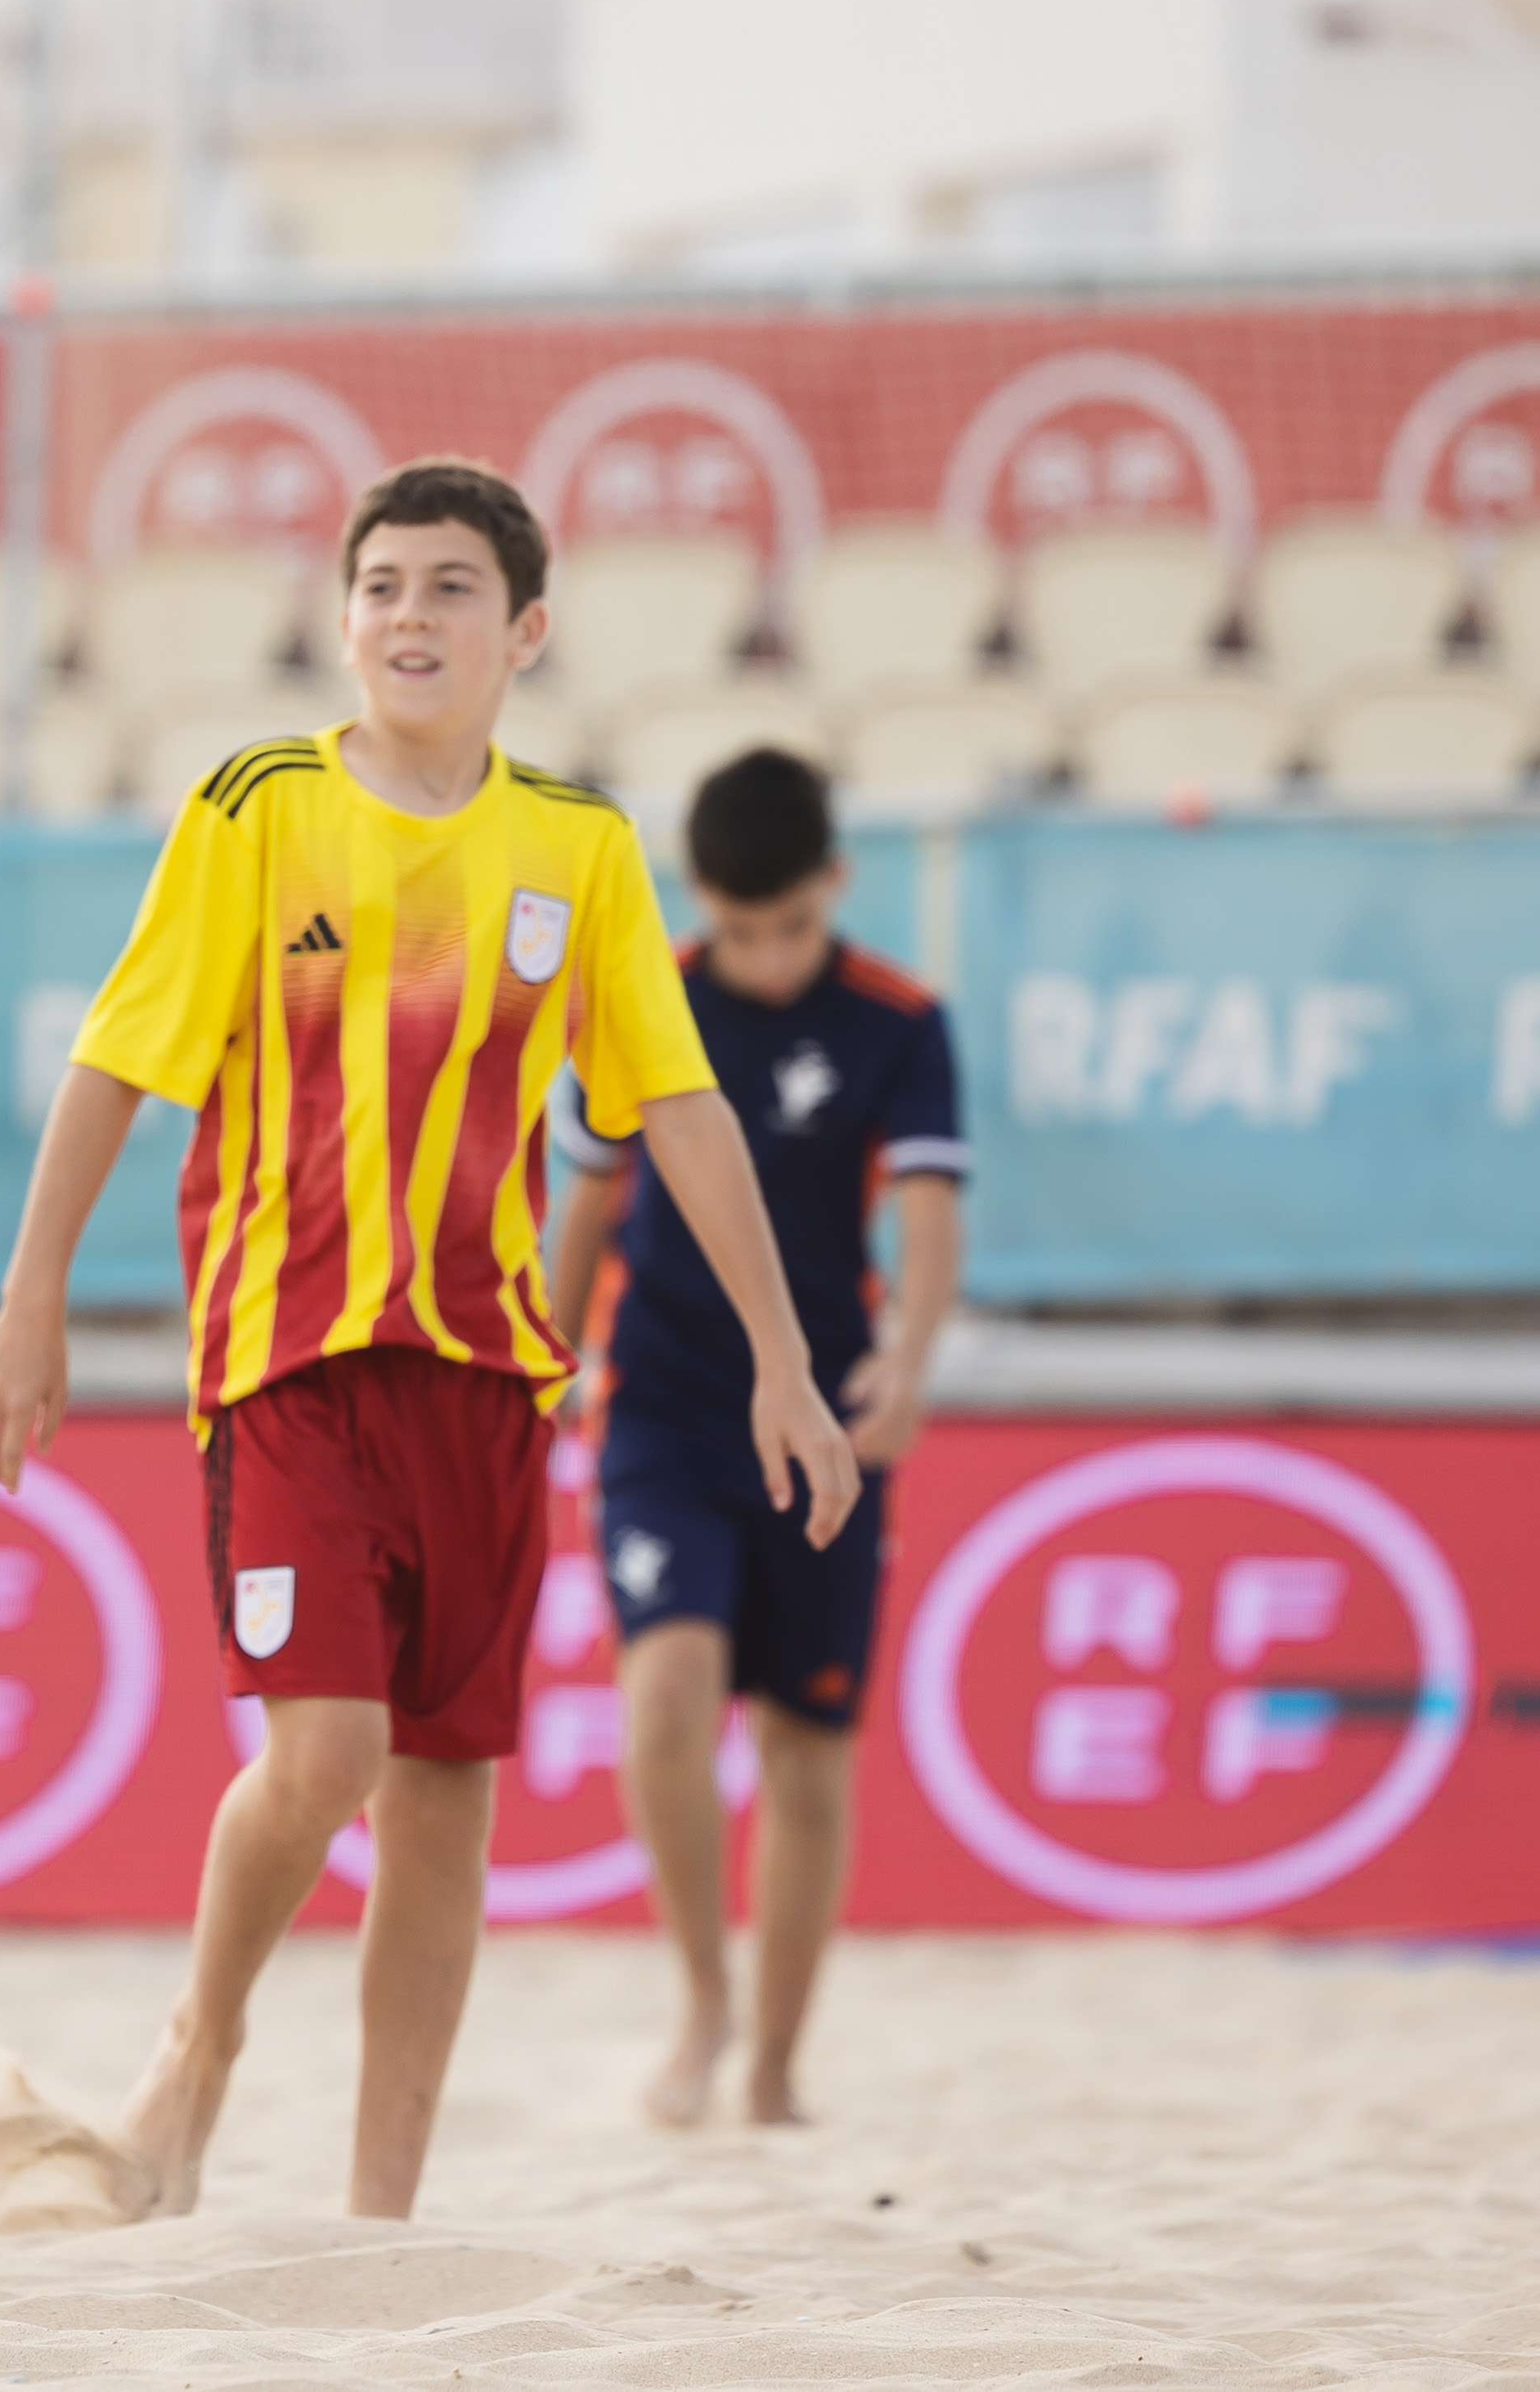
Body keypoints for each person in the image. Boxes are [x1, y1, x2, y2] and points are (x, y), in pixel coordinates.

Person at [0, 458, 864, 2224]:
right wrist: (30, 1293)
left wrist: (783, 1359)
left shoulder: (578, 846)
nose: (408, 616)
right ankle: (198, 2047)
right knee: (327, 1758)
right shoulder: (258, 804)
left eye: (450, 587)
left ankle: (381, 2217)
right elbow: (121, 1055)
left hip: (487, 1371)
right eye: (379, 585)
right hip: (285, 1358)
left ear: (526, 629)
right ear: (342, 617)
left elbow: (677, 1108)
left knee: (447, 1796)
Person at [542, 747, 964, 2131]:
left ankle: (776, 2062)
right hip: (663, 1403)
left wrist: (909, 1362)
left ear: (837, 882)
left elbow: (929, 1214)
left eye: (792, 927)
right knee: (665, 1693)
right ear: (698, 899)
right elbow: (588, 1199)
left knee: (807, 1743)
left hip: (827, 1414)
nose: (770, 960)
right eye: (741, 930)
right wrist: (541, 1363)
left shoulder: (901, 1021)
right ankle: (699, 2000)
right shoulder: (640, 1000)